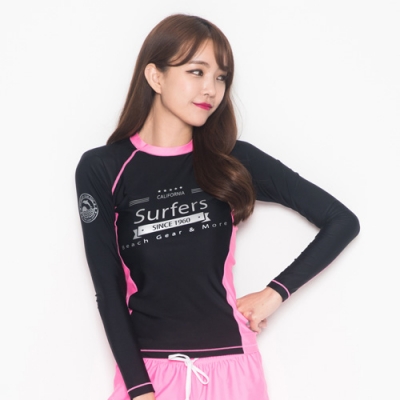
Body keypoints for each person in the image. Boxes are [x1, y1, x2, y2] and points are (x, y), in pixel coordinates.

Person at [75, 14, 360, 400]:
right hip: (150, 375)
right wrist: (140, 391)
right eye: (196, 72)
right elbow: (108, 291)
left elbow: (341, 220)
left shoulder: (232, 160)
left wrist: (273, 294)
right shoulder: (104, 168)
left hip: (232, 370)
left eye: (221, 77)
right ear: (155, 76)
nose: (211, 89)